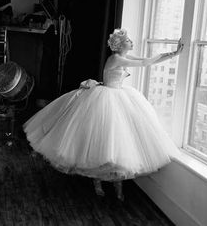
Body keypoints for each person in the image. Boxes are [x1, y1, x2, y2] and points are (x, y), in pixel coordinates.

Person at [23, 28, 183, 201]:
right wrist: (174, 53)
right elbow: (145, 63)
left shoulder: (123, 57)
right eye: (128, 40)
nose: (131, 42)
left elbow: (145, 60)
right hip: (107, 98)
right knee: (101, 142)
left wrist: (173, 53)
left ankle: (117, 183)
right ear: (121, 45)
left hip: (119, 95)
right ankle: (98, 181)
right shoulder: (116, 58)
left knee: (118, 143)